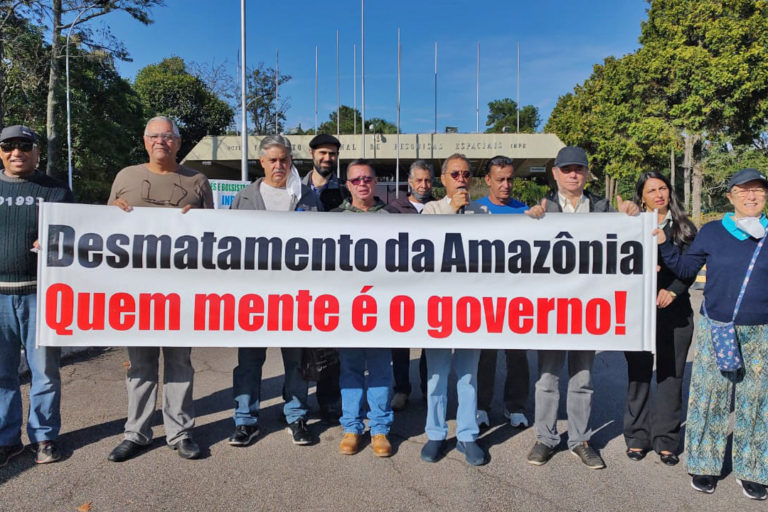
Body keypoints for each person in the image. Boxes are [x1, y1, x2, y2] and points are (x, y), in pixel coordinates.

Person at [657, 168, 768, 500]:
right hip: (716, 327)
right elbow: (687, 268)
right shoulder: (713, 231)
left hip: (761, 330)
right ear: (730, 196)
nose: (751, 196)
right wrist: (664, 246)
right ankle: (704, 465)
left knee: (756, 401)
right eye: (744, 191)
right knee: (709, 397)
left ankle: (752, 468)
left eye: (758, 190)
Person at [108, 116, 213, 462]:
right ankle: (136, 433)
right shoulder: (125, 176)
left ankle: (180, 432)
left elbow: (215, 236)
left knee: (179, 362)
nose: (161, 141)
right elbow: (103, 229)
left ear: (178, 143)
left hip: (181, 290)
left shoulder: (197, 181)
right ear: (144, 140)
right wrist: (113, 212)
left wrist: (199, 218)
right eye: (154, 136)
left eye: (168, 136)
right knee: (140, 364)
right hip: (135, 291)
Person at [527, 146, 638, 470]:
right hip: (552, 309)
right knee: (547, 378)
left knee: (582, 378)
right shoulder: (542, 208)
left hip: (589, 309)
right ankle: (545, 438)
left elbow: (626, 241)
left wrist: (630, 215)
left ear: (587, 173)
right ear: (555, 173)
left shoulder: (603, 208)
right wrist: (528, 221)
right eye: (566, 169)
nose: (573, 174)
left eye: (579, 169)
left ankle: (580, 440)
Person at [228, 135, 321, 447]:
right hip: (253, 297)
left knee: (296, 361)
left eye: (284, 159)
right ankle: (245, 421)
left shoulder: (307, 197)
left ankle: (296, 416)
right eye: (273, 160)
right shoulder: (244, 198)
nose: (279, 165)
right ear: (262, 163)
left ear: (290, 161)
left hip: (296, 296)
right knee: (249, 362)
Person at [0, 125, 72, 467]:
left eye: (24, 146)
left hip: (42, 295)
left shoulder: (57, 190)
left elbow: (76, 237)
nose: (17, 152)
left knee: (44, 371)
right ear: (1, 152)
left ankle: (44, 437)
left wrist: (56, 242)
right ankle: (6, 439)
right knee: (2, 374)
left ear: (36, 152)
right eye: (9, 146)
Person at [624, 171, 696, 466]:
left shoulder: (685, 227)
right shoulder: (630, 225)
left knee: (670, 375)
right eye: (651, 190)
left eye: (663, 188)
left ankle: (666, 440)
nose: (658, 194)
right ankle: (637, 436)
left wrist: (674, 290)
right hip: (637, 311)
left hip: (675, 311)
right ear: (641, 196)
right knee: (638, 374)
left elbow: (691, 268)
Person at [468, 156, 545, 429]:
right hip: (485, 296)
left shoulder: (525, 212)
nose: (506, 184)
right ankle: (481, 406)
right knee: (485, 356)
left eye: (510, 179)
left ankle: (515, 406)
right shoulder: (474, 211)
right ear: (487, 180)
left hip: (516, 297)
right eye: (500, 179)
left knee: (517, 355)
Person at [420, 153, 487, 466]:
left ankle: (467, 435)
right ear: (443, 178)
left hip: (471, 305)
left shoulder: (482, 212)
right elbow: (426, 244)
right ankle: (435, 433)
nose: (462, 179)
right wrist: (453, 210)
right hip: (439, 305)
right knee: (436, 375)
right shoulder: (432, 210)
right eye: (456, 174)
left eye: (466, 174)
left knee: (468, 375)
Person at [332, 159, 394, 457]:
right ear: (348, 185)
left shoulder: (391, 217)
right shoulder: (332, 219)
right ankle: (352, 427)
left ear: (375, 181)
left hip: (382, 307)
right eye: (356, 179)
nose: (362, 184)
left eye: (367, 178)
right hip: (347, 307)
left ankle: (380, 428)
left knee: (381, 368)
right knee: (351, 368)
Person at [302, 133, 346, 425]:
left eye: (332, 154)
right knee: (299, 347)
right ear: (312, 154)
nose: (327, 158)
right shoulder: (293, 189)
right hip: (299, 279)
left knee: (331, 347)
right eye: (323, 153)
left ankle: (329, 402)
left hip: (333, 281)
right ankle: (296, 406)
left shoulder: (343, 191)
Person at [384, 160, 435, 411]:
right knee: (399, 343)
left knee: (431, 342)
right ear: (409, 182)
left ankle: (428, 390)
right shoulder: (393, 210)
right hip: (401, 287)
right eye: (419, 180)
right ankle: (402, 389)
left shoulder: (440, 208)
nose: (423, 185)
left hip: (431, 287)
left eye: (427, 180)